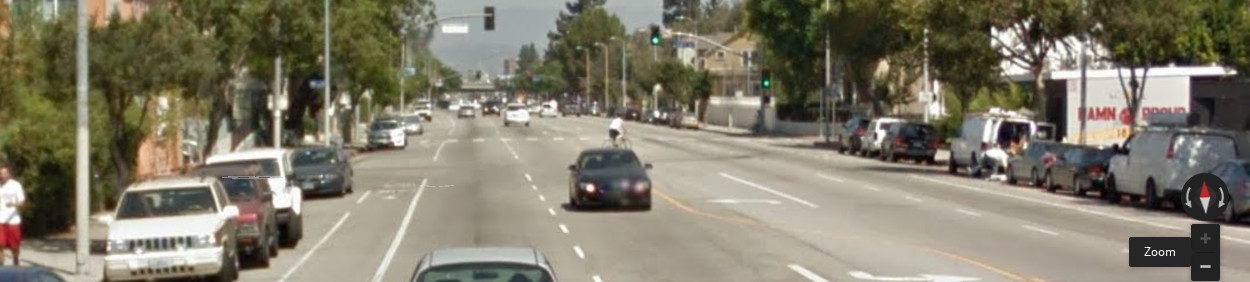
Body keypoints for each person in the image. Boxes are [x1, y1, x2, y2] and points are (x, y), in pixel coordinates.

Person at [0, 166, 25, 266]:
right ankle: (1, 267)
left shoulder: (15, 185)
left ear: (9, 174)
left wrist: (13, 204)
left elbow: (22, 203)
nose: (2, 175)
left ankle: (16, 261)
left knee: (14, 246)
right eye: (1, 174)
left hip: (13, 221)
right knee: (0, 244)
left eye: (4, 173)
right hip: (0, 221)